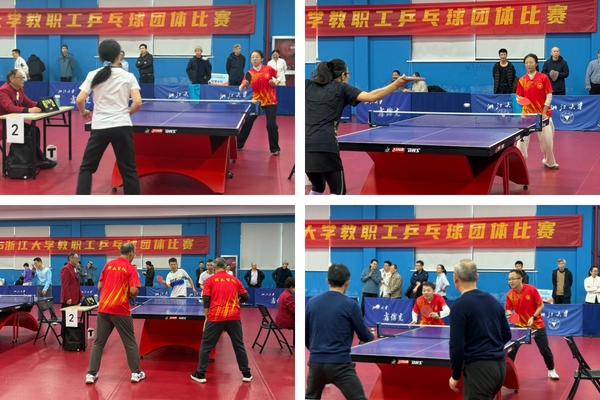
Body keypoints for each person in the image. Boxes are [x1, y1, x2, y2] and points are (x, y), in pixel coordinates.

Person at [305, 58, 408, 195]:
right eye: (348, 74)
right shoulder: (342, 88)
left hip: (304, 144)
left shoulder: (307, 85)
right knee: (338, 191)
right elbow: (371, 97)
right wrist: (396, 84)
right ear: (343, 76)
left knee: (317, 187)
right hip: (325, 145)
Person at [76, 39, 142, 195]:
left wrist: (83, 112)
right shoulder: (128, 76)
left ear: (100, 57)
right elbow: (138, 102)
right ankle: (134, 206)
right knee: (129, 170)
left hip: (100, 127)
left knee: (87, 168)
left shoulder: (93, 75)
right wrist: (126, 113)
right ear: (119, 56)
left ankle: (80, 204)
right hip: (122, 126)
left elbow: (79, 99)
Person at [306, 263, 374, 399]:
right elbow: (364, 336)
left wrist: (317, 351)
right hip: (340, 365)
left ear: (327, 281)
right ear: (347, 283)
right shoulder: (351, 305)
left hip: (315, 363)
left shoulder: (312, 302)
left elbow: (305, 335)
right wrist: (371, 335)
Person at [449, 259, 512, 399]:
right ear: (477, 277)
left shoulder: (459, 305)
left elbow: (456, 345)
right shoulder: (493, 301)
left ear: (455, 278)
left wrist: (455, 374)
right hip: (500, 368)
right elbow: (507, 334)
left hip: (479, 370)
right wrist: (491, 348)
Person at [85, 242, 145, 384]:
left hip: (104, 308)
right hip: (120, 310)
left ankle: (90, 374)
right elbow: (133, 291)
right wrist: (129, 293)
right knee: (130, 343)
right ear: (131, 253)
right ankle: (136, 373)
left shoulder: (108, 265)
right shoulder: (131, 268)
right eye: (135, 253)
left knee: (98, 343)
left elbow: (100, 285)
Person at [190, 257, 251, 384]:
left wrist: (206, 318)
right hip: (233, 317)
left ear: (214, 268)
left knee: (206, 346)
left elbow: (206, 300)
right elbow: (246, 296)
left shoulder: (210, 280)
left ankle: (200, 374)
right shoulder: (235, 280)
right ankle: (246, 374)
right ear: (225, 267)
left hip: (216, 317)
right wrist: (237, 303)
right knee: (239, 345)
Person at [506, 269, 559, 379]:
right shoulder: (510, 294)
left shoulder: (531, 289)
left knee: (544, 350)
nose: (510, 281)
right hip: (520, 325)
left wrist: (533, 316)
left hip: (536, 324)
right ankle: (507, 374)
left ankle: (551, 370)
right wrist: (509, 313)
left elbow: (541, 305)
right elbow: (508, 309)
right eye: (509, 279)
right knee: (511, 350)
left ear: (520, 279)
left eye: (513, 279)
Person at [0, 69, 57, 168]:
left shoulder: (20, 90)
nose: (23, 79)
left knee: (34, 130)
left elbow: (29, 103)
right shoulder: (3, 91)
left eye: (23, 77)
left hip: (13, 122)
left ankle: (34, 159)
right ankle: (38, 159)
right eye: (20, 77)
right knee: (28, 133)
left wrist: (43, 105)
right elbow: (9, 107)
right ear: (12, 79)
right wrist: (29, 110)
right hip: (3, 123)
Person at [516, 53, 559, 170]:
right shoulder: (522, 80)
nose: (528, 64)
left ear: (536, 64)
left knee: (547, 142)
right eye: (526, 63)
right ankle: (519, 162)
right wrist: (520, 100)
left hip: (541, 115)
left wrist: (544, 112)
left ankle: (549, 162)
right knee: (522, 141)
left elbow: (549, 96)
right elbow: (518, 97)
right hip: (527, 115)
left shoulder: (543, 78)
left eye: (531, 62)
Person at [237, 49, 281, 155]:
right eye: (252, 57)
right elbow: (241, 89)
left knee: (271, 124)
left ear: (261, 59)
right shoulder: (249, 73)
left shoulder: (268, 69)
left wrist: (275, 82)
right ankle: (238, 144)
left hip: (270, 100)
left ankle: (275, 149)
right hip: (256, 102)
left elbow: (280, 76)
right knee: (248, 121)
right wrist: (243, 85)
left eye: (256, 57)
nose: (254, 59)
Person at [61, 252, 84, 335]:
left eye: (77, 258)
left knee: (72, 320)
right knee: (66, 320)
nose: (77, 260)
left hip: (75, 298)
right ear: (70, 258)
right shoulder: (66, 269)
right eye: (76, 258)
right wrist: (68, 298)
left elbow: (77, 285)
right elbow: (65, 285)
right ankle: (65, 337)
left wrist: (81, 296)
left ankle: (72, 336)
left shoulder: (74, 269)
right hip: (69, 300)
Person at [33, 257, 58, 322]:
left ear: (40, 262)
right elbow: (32, 277)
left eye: (36, 263)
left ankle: (53, 317)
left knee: (49, 302)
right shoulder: (36, 270)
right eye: (34, 264)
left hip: (47, 287)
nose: (35, 265)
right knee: (39, 303)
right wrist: (33, 272)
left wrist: (45, 288)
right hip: (39, 287)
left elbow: (48, 280)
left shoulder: (47, 270)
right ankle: (40, 318)